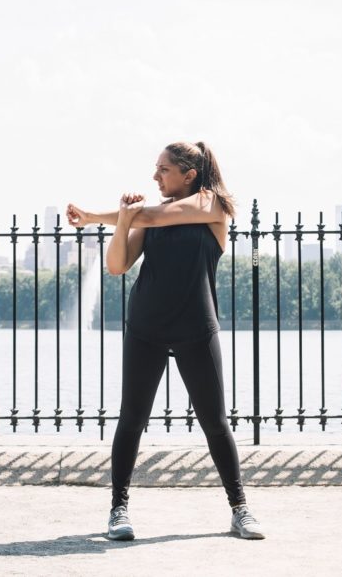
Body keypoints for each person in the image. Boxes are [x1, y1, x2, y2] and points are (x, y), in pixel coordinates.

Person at [66, 141, 265, 541]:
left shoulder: (212, 205)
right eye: (155, 169)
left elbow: (157, 217)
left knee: (215, 422)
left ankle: (239, 509)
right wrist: (122, 220)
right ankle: (118, 510)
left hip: (196, 327)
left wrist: (97, 216)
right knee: (131, 419)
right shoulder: (146, 219)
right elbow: (117, 266)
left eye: (163, 170)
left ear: (189, 174)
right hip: (146, 327)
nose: (155, 176)